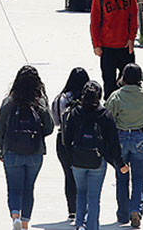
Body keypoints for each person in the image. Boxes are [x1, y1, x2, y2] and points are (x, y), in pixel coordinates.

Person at [0, 65, 55, 230]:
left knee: (13, 187)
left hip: (12, 151)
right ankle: (25, 223)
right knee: (29, 188)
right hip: (34, 151)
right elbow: (49, 127)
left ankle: (15, 216)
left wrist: (0, 149)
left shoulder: (9, 101)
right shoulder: (40, 102)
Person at [65, 81, 129, 230]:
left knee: (81, 193)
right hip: (97, 160)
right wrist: (119, 163)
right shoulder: (105, 115)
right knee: (93, 198)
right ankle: (92, 226)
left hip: (78, 160)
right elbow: (113, 142)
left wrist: (70, 158)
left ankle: (80, 224)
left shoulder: (75, 112)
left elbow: (67, 139)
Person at [106, 64, 143, 228]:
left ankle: (122, 214)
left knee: (121, 177)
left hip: (121, 137)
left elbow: (108, 119)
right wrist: (141, 76)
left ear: (123, 78)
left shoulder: (116, 96)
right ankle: (136, 209)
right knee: (138, 177)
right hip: (139, 137)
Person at [91, 0, 138, 99]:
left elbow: (133, 18)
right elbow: (94, 24)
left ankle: (126, 110)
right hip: (107, 48)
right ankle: (111, 112)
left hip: (125, 46)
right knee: (109, 84)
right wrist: (96, 45)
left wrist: (131, 39)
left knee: (129, 83)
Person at [51, 67, 90, 222]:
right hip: (85, 140)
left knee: (69, 175)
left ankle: (72, 210)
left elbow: (55, 122)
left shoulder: (60, 99)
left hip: (63, 140)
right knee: (85, 176)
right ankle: (84, 209)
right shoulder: (90, 98)